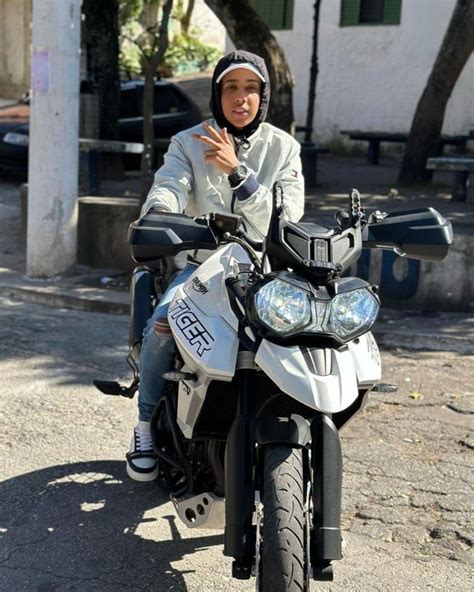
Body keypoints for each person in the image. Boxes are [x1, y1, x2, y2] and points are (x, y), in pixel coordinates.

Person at [126, 50, 305, 481]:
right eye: (230, 88)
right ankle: (145, 424)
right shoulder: (188, 142)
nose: (240, 98)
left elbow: (287, 219)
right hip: (201, 268)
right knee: (166, 320)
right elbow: (167, 188)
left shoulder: (284, 148)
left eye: (250, 89)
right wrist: (159, 217)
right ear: (217, 93)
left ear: (263, 97)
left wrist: (239, 174)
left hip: (263, 273)